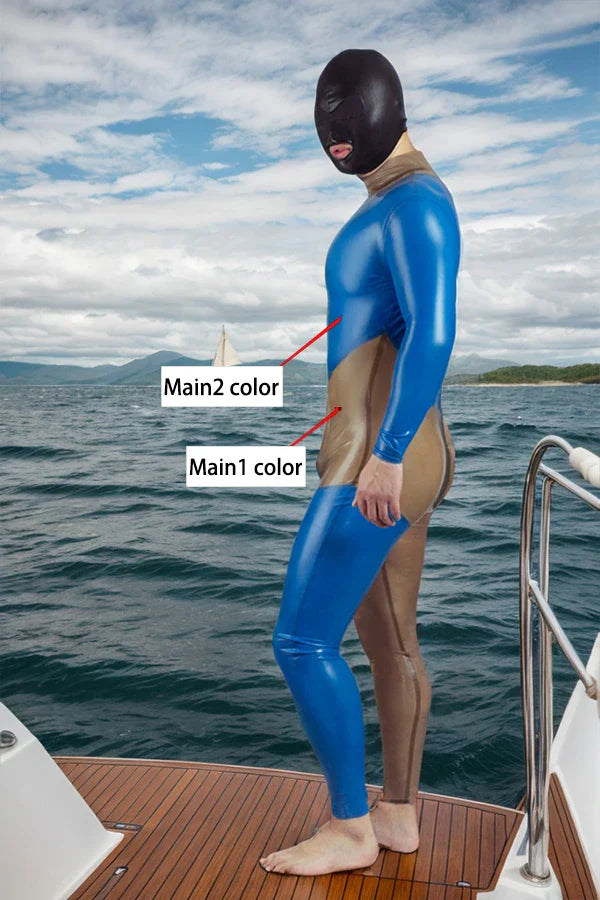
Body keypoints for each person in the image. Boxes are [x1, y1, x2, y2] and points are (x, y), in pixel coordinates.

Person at [259, 48, 460, 877]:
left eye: (346, 106)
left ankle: (349, 829)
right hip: (396, 455)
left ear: (389, 106)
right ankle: (398, 814)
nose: (333, 127)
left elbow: (435, 330)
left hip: (378, 462)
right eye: (322, 113)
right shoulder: (393, 200)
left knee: (300, 640)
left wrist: (383, 456)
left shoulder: (415, 202)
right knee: (390, 643)